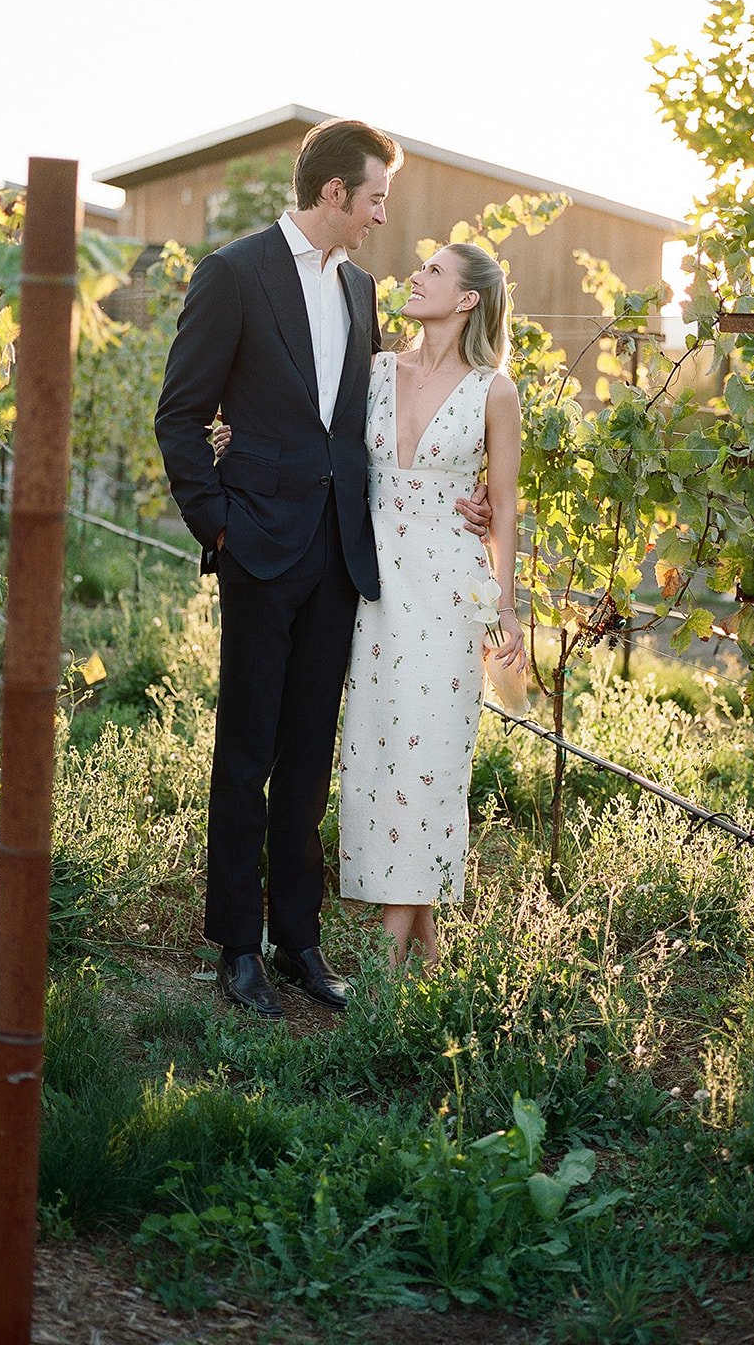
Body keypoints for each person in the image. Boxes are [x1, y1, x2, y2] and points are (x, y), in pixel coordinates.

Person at [154, 119, 487, 1020]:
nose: (384, 216)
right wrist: (217, 526)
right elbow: (181, 415)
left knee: (310, 753)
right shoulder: (232, 273)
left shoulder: (364, 288)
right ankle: (238, 947)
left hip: (342, 553)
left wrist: (471, 494)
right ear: (335, 193)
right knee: (247, 748)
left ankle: (299, 941)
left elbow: (368, 422)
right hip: (257, 547)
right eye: (376, 197)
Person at [338, 242, 525, 971]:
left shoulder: (494, 390)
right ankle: (433, 966)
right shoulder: (378, 369)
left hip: (451, 590)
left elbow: (503, 506)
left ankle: (385, 970)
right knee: (381, 752)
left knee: (434, 761)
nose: (416, 276)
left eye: (435, 272)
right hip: (373, 585)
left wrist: (505, 608)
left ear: (468, 298)